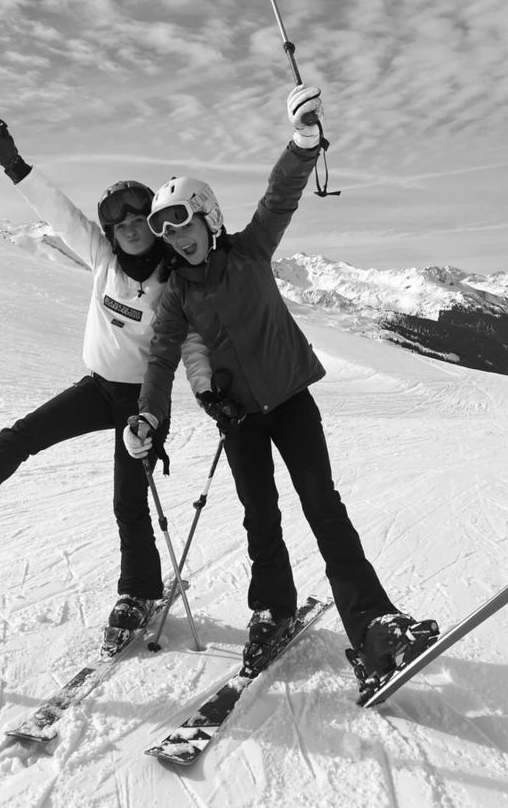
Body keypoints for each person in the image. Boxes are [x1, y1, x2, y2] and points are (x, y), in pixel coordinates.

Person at [122, 84, 435, 677]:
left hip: (291, 402)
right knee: (259, 514)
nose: (175, 235)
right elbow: (161, 362)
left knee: (324, 507)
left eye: (182, 219)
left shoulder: (248, 252)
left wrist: (303, 142)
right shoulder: (177, 298)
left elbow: (279, 198)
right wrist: (148, 417)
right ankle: (272, 609)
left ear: (208, 215)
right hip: (238, 417)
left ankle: (373, 626)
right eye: (165, 229)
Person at [0, 118, 212, 642]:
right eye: (115, 219)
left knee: (127, 498)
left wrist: (212, 390)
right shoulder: (103, 258)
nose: (126, 225)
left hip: (144, 402)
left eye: (136, 215)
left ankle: (141, 591)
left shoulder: (177, 281)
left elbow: (197, 345)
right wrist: (12, 160)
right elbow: (58, 211)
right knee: (20, 438)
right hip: (99, 386)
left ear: (154, 222)